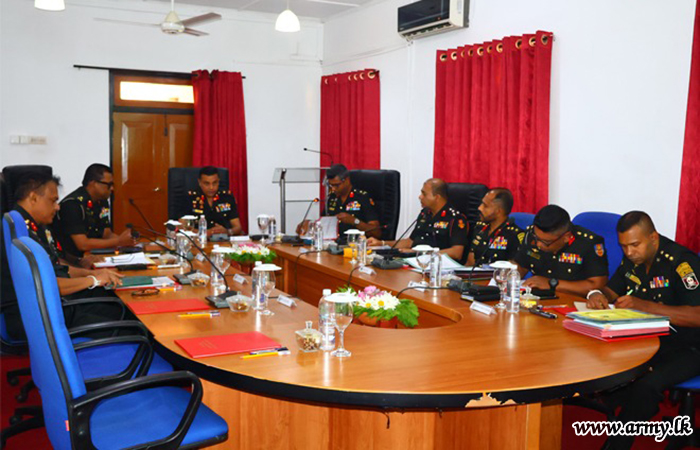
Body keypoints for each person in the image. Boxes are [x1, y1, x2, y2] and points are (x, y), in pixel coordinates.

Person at [584, 212, 700, 450]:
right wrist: (596, 294)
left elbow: (697, 316)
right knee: (605, 359)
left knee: (646, 384)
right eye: (623, 246)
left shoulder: (681, 263)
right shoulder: (633, 259)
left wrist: (645, 306)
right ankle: (625, 405)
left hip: (690, 345)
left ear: (653, 237)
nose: (628, 252)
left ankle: (618, 443)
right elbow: (612, 290)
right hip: (653, 338)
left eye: (635, 245)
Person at [2, 171, 124, 340]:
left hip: (48, 308)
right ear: (33, 197)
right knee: (129, 324)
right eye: (53, 201)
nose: (58, 207)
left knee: (119, 309)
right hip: (40, 317)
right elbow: (46, 284)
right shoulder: (22, 235)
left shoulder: (27, 227)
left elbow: (56, 267)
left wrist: (92, 273)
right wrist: (93, 280)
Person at [514, 204, 608, 297]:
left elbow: (597, 285)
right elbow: (521, 265)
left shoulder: (588, 243)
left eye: (546, 242)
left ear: (566, 237)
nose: (538, 244)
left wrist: (552, 284)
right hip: (539, 298)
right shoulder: (532, 235)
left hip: (574, 300)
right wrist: (511, 274)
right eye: (536, 238)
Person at [367, 178, 469, 261]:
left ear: (437, 197)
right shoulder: (425, 214)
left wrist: (420, 253)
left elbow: (457, 253)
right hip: (417, 263)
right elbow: (410, 242)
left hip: (439, 268)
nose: (420, 197)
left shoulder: (455, 219)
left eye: (424, 194)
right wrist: (382, 243)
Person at [52, 163, 135, 257]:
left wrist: (127, 241)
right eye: (109, 185)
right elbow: (82, 244)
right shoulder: (72, 204)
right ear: (93, 183)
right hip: (72, 259)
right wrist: (119, 241)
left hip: (94, 254)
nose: (112, 188)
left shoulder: (102, 202)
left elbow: (107, 234)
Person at [296, 164, 381, 239]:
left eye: (336, 185)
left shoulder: (362, 197)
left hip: (355, 244)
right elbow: (324, 224)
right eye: (331, 185)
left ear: (347, 180)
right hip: (334, 244)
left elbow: (376, 232)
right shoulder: (332, 198)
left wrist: (355, 221)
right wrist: (310, 224)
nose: (333, 189)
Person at [466, 188, 524, 266]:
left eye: (485, 206)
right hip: (476, 273)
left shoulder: (514, 235)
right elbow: (470, 262)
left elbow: (514, 269)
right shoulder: (480, 228)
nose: (480, 208)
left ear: (498, 211)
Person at [187, 166, 243, 237]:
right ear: (199, 182)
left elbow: (238, 227)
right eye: (207, 184)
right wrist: (203, 232)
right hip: (199, 240)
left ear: (218, 181)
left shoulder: (227, 197)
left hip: (223, 240)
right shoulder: (190, 198)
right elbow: (182, 227)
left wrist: (228, 231)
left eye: (214, 183)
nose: (211, 187)